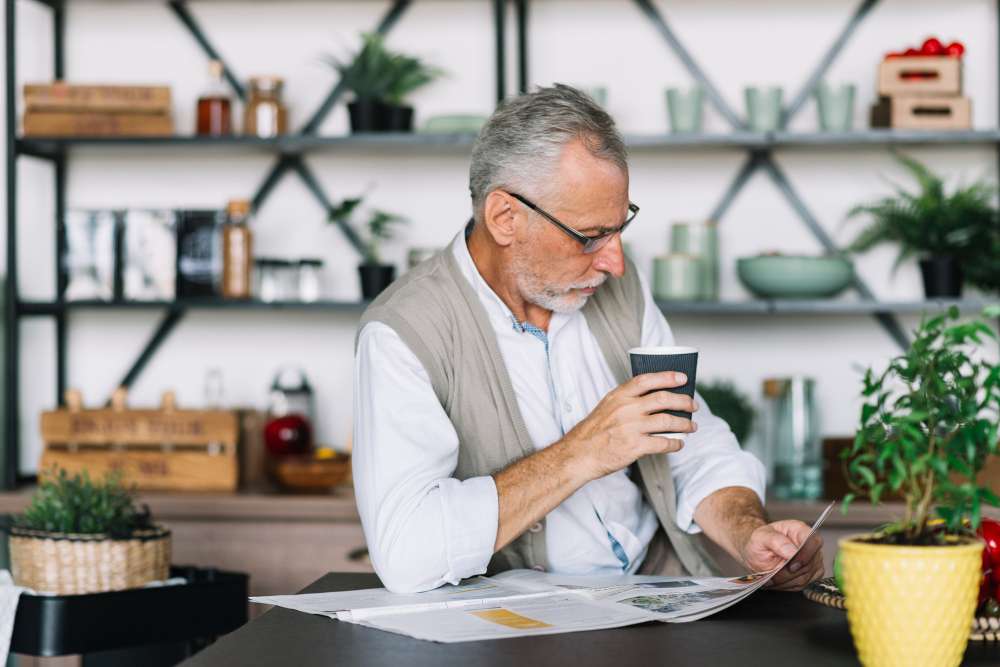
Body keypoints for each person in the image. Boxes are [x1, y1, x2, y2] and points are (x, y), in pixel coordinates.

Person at [352, 84, 824, 594]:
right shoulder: (403, 332)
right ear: (505, 218)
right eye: (590, 236)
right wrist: (582, 452)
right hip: (513, 636)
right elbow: (406, 551)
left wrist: (750, 532)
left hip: (655, 601)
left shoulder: (616, 287)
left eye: (620, 229)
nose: (615, 262)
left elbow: (689, 439)